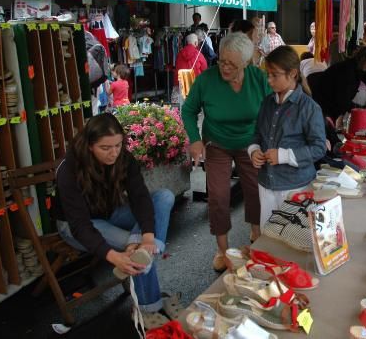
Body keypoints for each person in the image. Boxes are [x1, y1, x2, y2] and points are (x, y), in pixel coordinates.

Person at [56, 114, 175, 329]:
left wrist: (148, 237)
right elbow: (80, 226)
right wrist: (115, 257)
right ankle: (148, 308)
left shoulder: (123, 158)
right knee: (133, 250)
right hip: (76, 226)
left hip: (110, 213)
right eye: (105, 148)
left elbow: (139, 196)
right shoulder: (69, 169)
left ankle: (144, 251)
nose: (114, 153)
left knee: (164, 197)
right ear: (90, 145)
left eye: (118, 145)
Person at [181, 32, 272, 272]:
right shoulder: (207, 80)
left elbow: (273, 109)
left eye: (232, 63)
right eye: (222, 60)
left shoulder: (258, 78)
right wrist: (195, 140)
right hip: (217, 143)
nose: (225, 67)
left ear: (245, 63)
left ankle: (256, 234)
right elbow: (188, 110)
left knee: (255, 190)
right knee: (219, 197)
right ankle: (222, 250)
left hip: (250, 143)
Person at [249, 46, 326, 225]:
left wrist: (283, 155)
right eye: (268, 74)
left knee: (292, 241)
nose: (269, 80)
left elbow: (319, 148)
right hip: (266, 183)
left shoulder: (309, 107)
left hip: (296, 186)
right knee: (269, 238)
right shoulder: (267, 103)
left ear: (292, 74)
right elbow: (256, 134)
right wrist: (254, 151)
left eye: (274, 75)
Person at [309, 44, 366, 122]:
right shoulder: (346, 71)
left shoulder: (359, 67)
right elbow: (342, 101)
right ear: (364, 59)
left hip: (331, 105)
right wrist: (364, 109)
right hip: (323, 107)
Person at [174, 33, 208, 103]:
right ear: (196, 42)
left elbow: (176, 68)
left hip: (181, 86)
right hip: (195, 86)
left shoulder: (179, 54)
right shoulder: (199, 55)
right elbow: (205, 71)